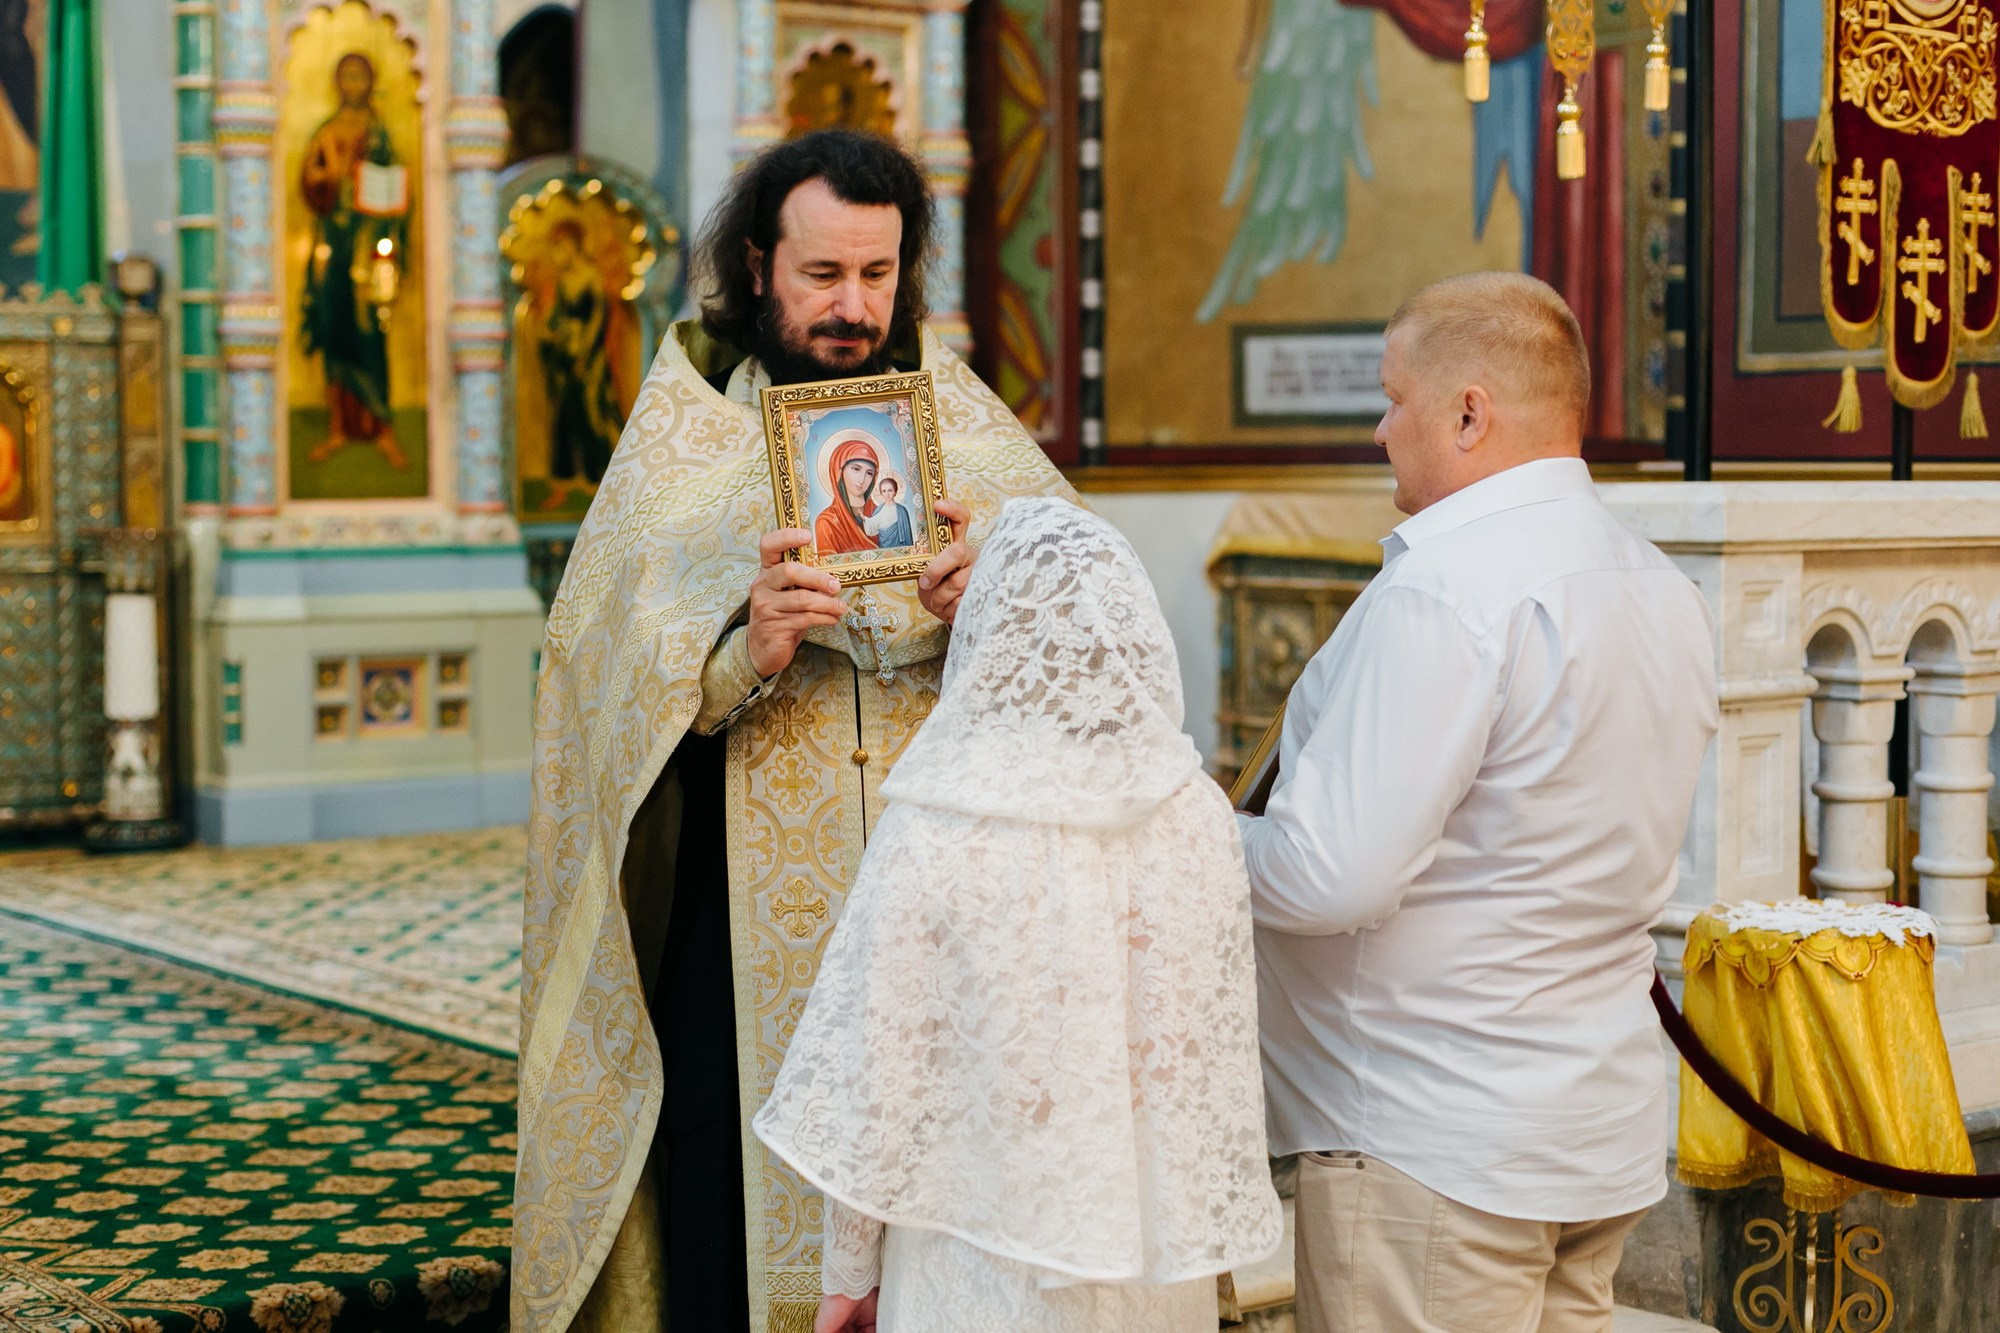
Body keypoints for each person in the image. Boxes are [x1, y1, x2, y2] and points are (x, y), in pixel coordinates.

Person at [514, 129, 1076, 1333]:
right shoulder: (686, 449)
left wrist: (994, 607)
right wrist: (739, 651)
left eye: (876, 275)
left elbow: (1090, 642)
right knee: (743, 1196)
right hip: (745, 905)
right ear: (759, 265)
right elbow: (598, 677)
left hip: (945, 901)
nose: (851, 307)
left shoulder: (966, 429)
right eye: (821, 275)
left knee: (939, 1185)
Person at [1237, 272, 1719, 1333]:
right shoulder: (1657, 584)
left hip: (1432, 1141)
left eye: (1391, 396)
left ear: (1467, 413)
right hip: (1589, 1125)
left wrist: (1190, 833)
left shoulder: (1444, 591)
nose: (1378, 429)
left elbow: (1330, 876)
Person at [756, 497, 1282, 1332]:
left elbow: (879, 1075)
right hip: (1147, 1266)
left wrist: (850, 1269)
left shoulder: (934, 820)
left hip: (973, 1250)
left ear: (994, 633)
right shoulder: (1196, 813)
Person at [299, 52, 407, 469]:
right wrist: (329, 177)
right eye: (346, 75)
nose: (354, 83)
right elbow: (309, 179)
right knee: (333, 327)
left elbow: (396, 186)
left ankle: (383, 428)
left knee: (369, 331)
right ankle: (337, 429)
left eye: (361, 75)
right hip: (333, 241)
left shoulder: (379, 133)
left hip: (368, 242)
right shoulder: (326, 132)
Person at [535, 218, 624, 508]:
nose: (559, 254)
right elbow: (557, 316)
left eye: (562, 247)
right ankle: (561, 485)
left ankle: (603, 483)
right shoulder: (564, 281)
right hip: (564, 356)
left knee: (592, 416)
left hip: (589, 360)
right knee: (563, 420)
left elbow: (598, 319)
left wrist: (584, 355)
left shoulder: (590, 277)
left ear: (574, 245)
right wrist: (548, 331)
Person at [813, 430, 884, 553]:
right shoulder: (827, 522)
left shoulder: (881, 515)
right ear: (839, 472)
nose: (862, 480)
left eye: (869, 473)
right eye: (856, 469)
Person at [863, 474, 914, 548]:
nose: (887, 494)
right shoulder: (879, 510)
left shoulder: (902, 510)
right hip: (884, 546)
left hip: (900, 545)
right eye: (884, 491)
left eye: (890, 490)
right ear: (881, 493)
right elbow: (873, 525)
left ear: (895, 492)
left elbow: (907, 533)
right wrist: (864, 518)